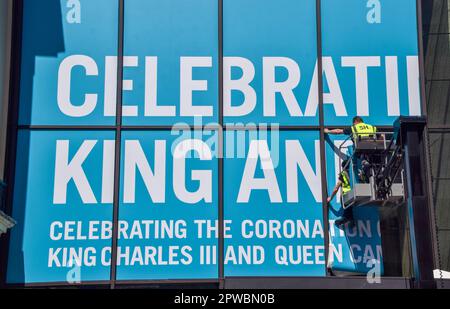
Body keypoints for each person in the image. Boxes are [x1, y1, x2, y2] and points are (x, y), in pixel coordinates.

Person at [324, 116, 377, 182]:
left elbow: (338, 131)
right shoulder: (371, 127)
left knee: (355, 156)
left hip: (360, 149)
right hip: (373, 148)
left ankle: (361, 173)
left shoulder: (354, 127)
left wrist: (327, 131)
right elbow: (382, 136)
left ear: (355, 122)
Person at [327, 159, 355, 228]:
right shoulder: (354, 173)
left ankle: (344, 220)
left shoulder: (343, 175)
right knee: (349, 210)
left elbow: (336, 188)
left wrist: (331, 197)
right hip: (354, 194)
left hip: (346, 196)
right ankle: (351, 221)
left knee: (346, 212)